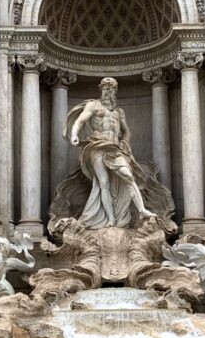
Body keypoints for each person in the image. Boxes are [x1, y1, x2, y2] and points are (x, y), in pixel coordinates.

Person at [65, 77, 156, 228]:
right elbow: (79, 121)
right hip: (97, 146)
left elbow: (126, 132)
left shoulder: (119, 112)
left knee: (128, 176)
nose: (108, 91)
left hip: (115, 148)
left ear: (115, 91)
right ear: (101, 89)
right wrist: (74, 134)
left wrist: (124, 142)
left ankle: (142, 210)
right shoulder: (93, 105)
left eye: (111, 88)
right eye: (105, 88)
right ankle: (111, 219)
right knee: (104, 183)